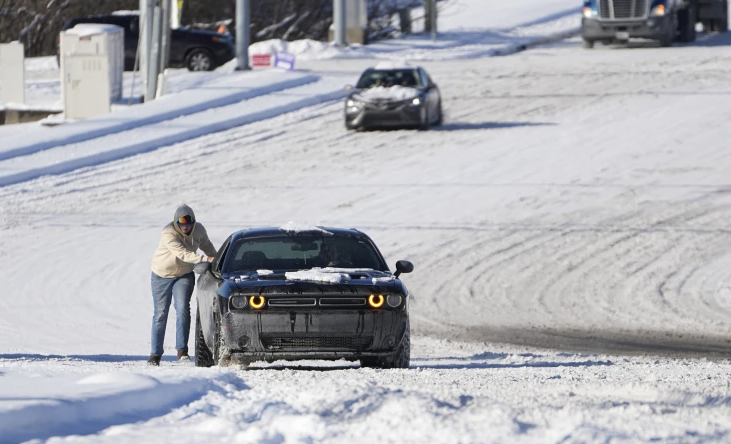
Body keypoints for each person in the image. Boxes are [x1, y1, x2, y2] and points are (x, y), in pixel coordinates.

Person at [148, 204, 217, 366]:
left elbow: (207, 245)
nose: (185, 227)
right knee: (160, 314)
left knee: (183, 309)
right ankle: (155, 355)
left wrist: (216, 259)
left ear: (194, 221)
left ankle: (182, 352)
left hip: (184, 275)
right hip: (161, 275)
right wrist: (205, 260)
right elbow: (182, 253)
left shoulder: (198, 229)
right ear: (176, 223)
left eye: (189, 223)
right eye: (181, 223)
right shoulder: (168, 232)